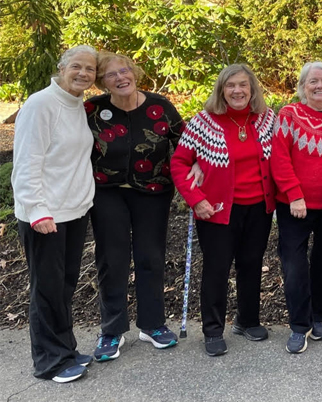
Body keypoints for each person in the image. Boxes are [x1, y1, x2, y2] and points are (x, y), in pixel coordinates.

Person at [171, 64, 276, 357]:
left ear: (253, 89)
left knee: (251, 264)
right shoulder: (203, 122)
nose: (237, 91)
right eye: (231, 86)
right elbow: (179, 163)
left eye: (243, 85)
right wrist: (195, 198)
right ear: (221, 90)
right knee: (217, 269)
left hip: (259, 206)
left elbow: (282, 155)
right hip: (215, 210)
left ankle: (247, 320)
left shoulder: (267, 120)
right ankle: (213, 329)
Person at [85, 52, 184, 361]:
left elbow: (184, 145)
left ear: (135, 72)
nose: (120, 77)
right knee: (111, 258)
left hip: (153, 191)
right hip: (106, 191)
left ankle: (152, 324)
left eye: (124, 70)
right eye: (111, 74)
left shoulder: (161, 107)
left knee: (150, 256)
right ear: (102, 82)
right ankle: (112, 330)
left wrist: (194, 171)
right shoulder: (92, 109)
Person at [11, 45, 98, 383]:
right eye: (76, 66)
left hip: (74, 211)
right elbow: (27, 162)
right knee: (47, 288)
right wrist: (36, 211)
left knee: (64, 285)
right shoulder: (40, 104)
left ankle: (66, 348)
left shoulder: (76, 105)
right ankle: (49, 361)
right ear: (62, 67)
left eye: (90, 69)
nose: (83, 73)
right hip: (45, 215)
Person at [271, 62, 322, 354]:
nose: (319, 85)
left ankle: (318, 316)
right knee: (294, 264)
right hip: (294, 205)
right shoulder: (289, 114)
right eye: (312, 81)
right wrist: (294, 194)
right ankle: (299, 326)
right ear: (302, 86)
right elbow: (279, 158)